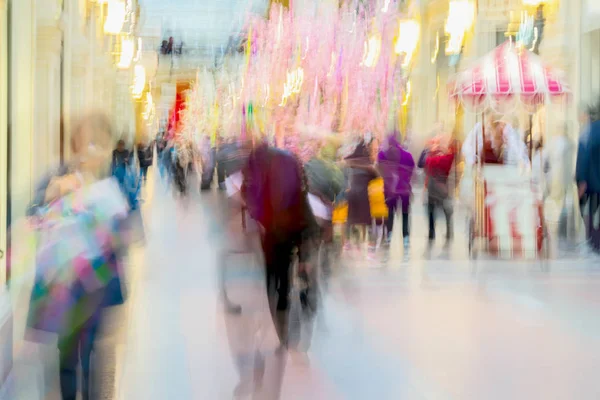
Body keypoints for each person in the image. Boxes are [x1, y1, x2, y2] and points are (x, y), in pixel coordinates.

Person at [27, 112, 129, 400]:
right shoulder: (58, 177)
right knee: (67, 360)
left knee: (94, 358)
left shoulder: (114, 178)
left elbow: (123, 232)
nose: (91, 151)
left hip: (97, 289)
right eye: (86, 142)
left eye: (98, 143)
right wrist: (50, 196)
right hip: (66, 290)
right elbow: (33, 218)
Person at [242, 139, 319, 350]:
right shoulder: (289, 158)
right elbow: (303, 187)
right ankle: (301, 300)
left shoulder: (256, 162)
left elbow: (248, 193)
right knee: (289, 273)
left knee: (274, 279)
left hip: (274, 231)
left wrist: (256, 218)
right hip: (297, 223)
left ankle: (283, 331)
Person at [377, 132, 415, 248]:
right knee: (404, 214)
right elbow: (412, 169)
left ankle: (389, 235)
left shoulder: (383, 155)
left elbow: (380, 170)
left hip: (389, 189)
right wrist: (406, 179)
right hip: (404, 189)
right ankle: (406, 238)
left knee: (390, 213)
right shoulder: (407, 155)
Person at [343, 139, 378, 249]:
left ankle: (347, 242)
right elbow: (377, 176)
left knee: (350, 219)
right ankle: (371, 243)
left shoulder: (351, 165)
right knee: (367, 220)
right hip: (363, 195)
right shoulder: (368, 167)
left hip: (351, 194)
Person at [423, 137, 456, 243]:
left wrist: (431, 152)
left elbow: (427, 162)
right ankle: (448, 232)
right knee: (446, 211)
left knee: (431, 210)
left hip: (434, 187)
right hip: (442, 188)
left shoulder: (444, 158)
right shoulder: (448, 158)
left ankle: (431, 233)